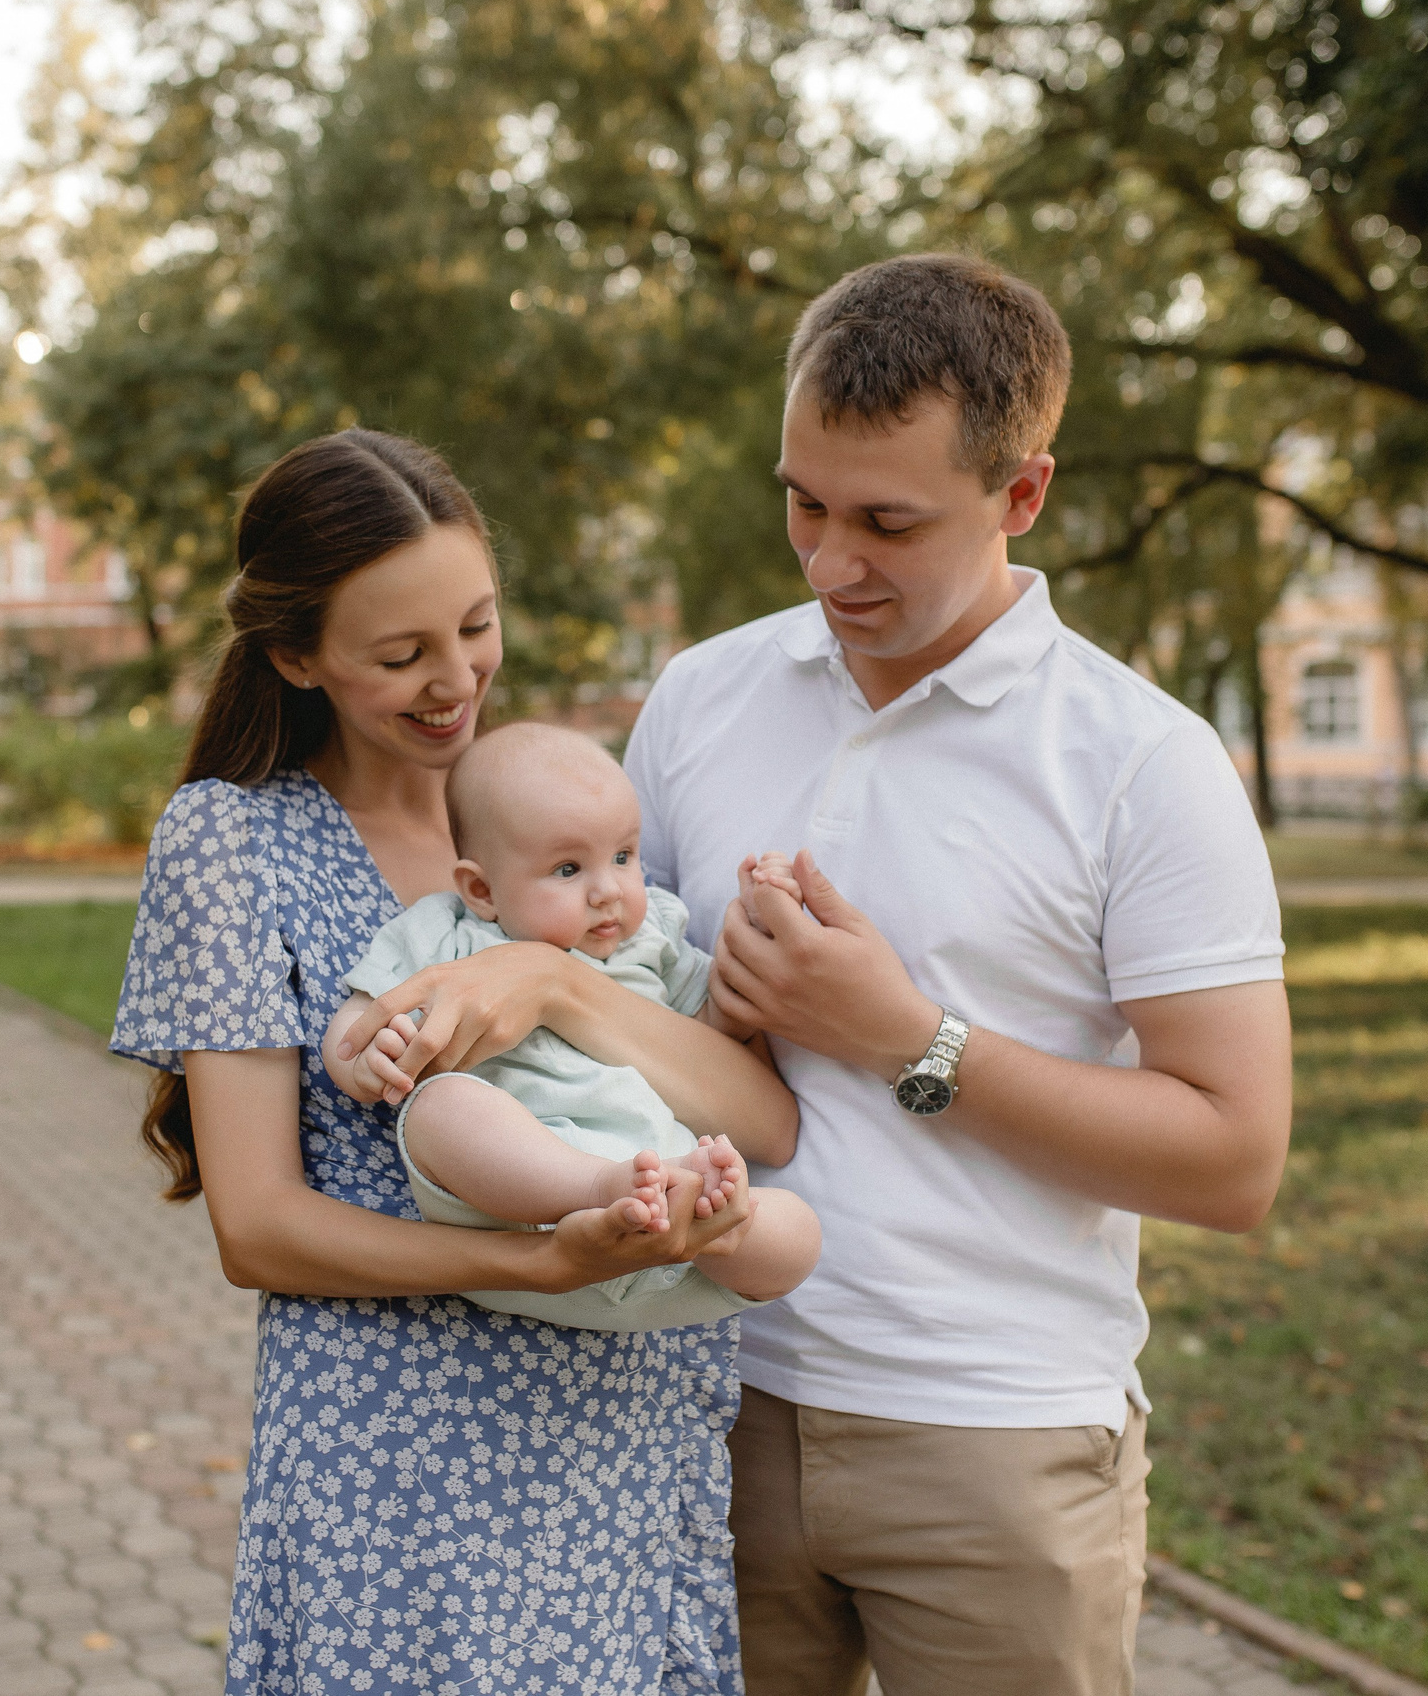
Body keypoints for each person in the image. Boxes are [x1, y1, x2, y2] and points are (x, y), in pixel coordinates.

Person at [622, 253, 1295, 1694]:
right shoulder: (699, 697)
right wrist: (700, 1006)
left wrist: (904, 1037)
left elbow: (1235, 1159)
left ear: (1021, 493)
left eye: (888, 522)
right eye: (804, 503)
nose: (829, 563)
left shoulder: (1143, 762)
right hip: (700, 1398)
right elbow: (626, 1018)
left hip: (998, 1439)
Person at [110, 428, 795, 1696]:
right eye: (400, 655)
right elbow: (259, 1230)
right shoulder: (235, 843)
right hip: (404, 1474)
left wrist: (555, 983)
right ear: (295, 655)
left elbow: (763, 1120)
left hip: (624, 1438)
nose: (455, 679)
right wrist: (538, 1262)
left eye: (476, 627)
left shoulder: (565, 824)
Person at [325, 722, 823, 1331]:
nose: (608, 890)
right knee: (440, 1106)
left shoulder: (654, 936)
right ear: (481, 889)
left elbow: (714, 1030)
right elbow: (360, 1018)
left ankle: (714, 1225)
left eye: (623, 857)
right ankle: (599, 1188)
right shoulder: (446, 932)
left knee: (798, 1229)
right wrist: (366, 1057)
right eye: (568, 869)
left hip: (668, 1219)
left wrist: (757, 929)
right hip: (525, 1211)